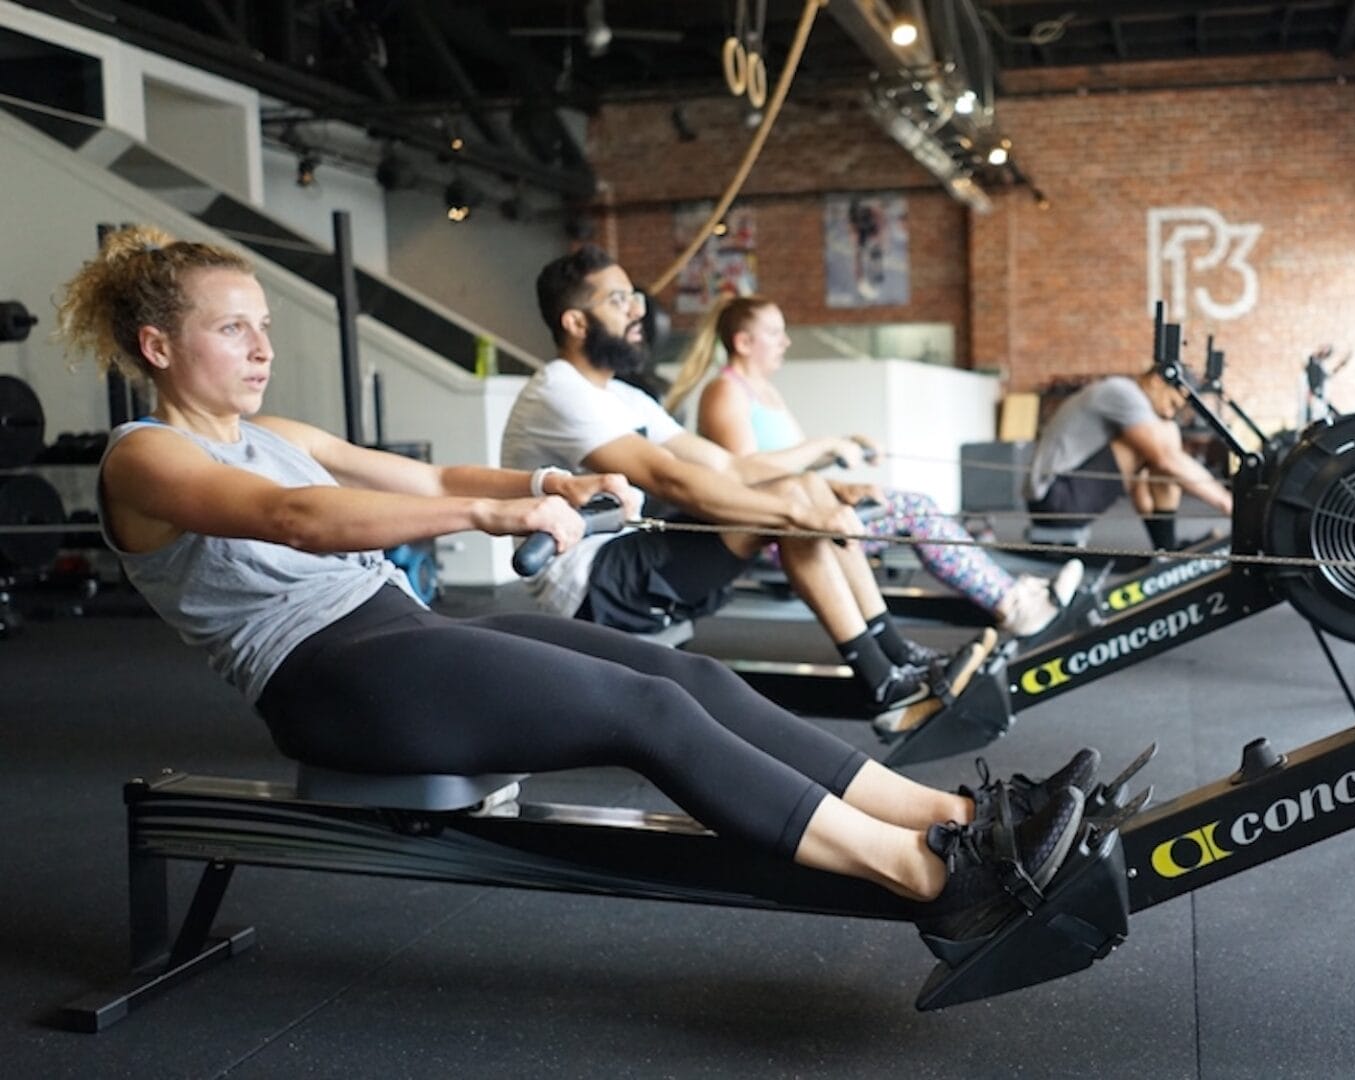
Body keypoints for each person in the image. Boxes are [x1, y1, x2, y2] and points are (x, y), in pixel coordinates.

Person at [59, 224, 1092, 943]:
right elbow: (296, 519)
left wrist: (543, 484)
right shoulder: (143, 459)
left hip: (397, 631)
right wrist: (492, 517)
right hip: (326, 680)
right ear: (158, 345)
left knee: (688, 679)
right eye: (232, 329)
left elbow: (431, 478)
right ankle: (934, 879)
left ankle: (956, 818)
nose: (261, 348)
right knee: (646, 714)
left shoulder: (274, 431)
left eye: (263, 325)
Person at [502, 246, 991, 736]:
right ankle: (884, 683)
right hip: (591, 582)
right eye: (618, 300)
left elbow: (726, 465)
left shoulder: (624, 397)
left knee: (799, 492)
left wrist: (826, 491)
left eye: (635, 297)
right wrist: (799, 511)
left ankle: (895, 657)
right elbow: (671, 479)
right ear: (576, 322)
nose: (637, 311)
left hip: (631, 552)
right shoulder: (560, 390)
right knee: (789, 508)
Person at [662, 295, 1084, 640]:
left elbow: (791, 469)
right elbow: (745, 473)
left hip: (803, 509)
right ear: (743, 342)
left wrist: (846, 453)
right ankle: (1012, 604)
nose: (785, 341)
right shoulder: (725, 392)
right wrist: (826, 444)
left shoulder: (764, 391)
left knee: (914, 505)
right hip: (774, 529)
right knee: (916, 510)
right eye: (774, 332)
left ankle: (1011, 593)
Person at [1026, 369, 1234, 555]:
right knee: (1165, 435)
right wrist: (1226, 502)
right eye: (1172, 403)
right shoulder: (1124, 393)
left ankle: (1164, 548)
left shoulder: (1123, 393)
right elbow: (1166, 459)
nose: (1169, 412)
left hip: (1052, 501)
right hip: (1056, 499)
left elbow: (1140, 485)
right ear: (1157, 381)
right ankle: (1166, 547)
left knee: (1151, 443)